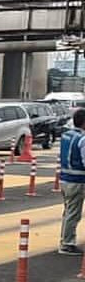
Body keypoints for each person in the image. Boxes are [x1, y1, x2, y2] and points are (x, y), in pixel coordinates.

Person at [60, 107, 85, 256]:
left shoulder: (67, 135)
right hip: (77, 180)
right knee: (73, 213)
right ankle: (67, 244)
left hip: (64, 179)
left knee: (68, 211)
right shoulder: (82, 139)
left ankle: (65, 239)